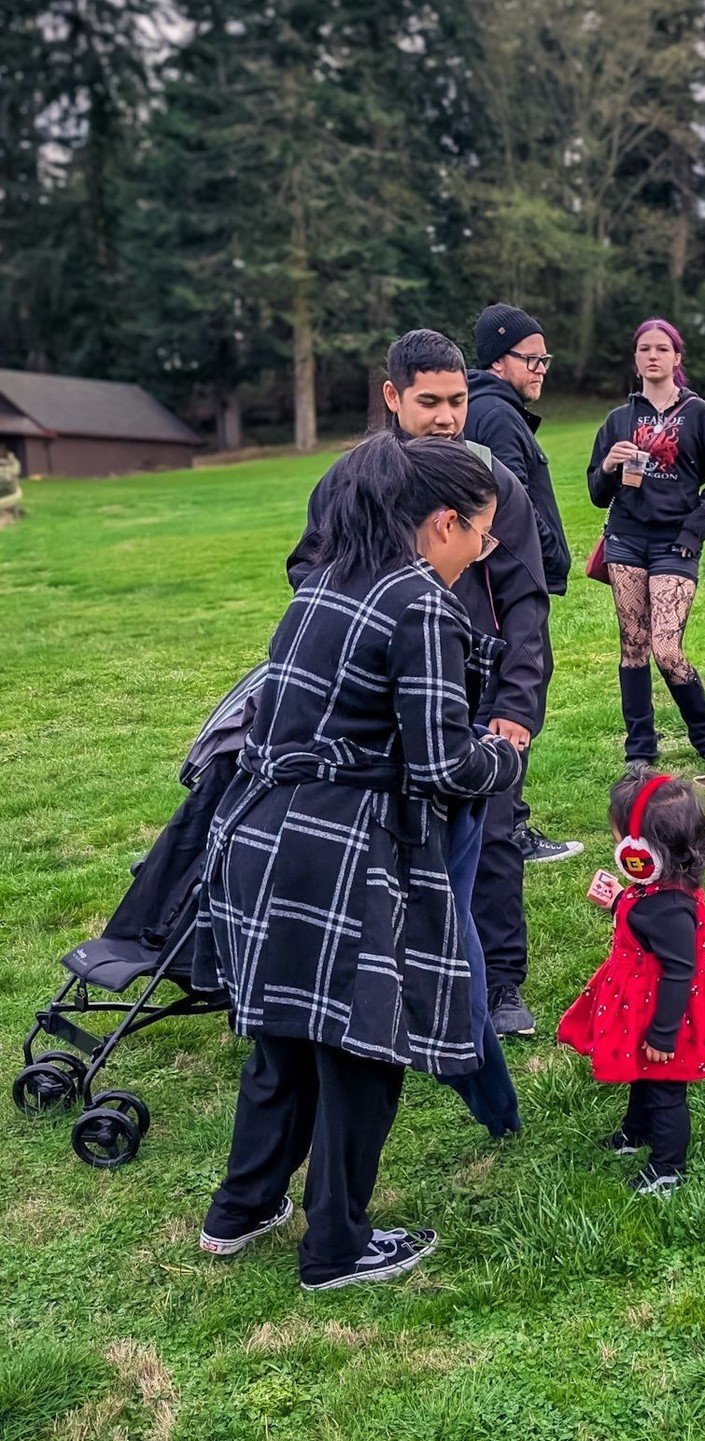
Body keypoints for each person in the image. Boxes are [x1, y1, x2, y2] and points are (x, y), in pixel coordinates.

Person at [195, 432, 523, 1290]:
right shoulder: (417, 602)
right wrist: (504, 755)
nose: (479, 555)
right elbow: (442, 764)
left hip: (260, 836)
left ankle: (240, 1209)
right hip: (344, 851)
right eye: (480, 537)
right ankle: (336, 1246)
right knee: (364, 1047)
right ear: (444, 522)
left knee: (284, 1040)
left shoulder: (324, 582)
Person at [287, 330, 551, 1038]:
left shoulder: (491, 483)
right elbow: (307, 576)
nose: (445, 417)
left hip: (475, 695)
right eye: (428, 401)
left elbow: (527, 600)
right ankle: (383, 982)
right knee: (385, 840)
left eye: (457, 401)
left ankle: (497, 985)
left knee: (492, 831)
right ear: (392, 396)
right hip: (376, 699)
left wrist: (517, 704)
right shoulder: (350, 482)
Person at [557, 774, 705, 1195]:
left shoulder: (670, 910)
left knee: (664, 1089)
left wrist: (663, 1033)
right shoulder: (657, 890)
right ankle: (636, 1132)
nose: (616, 843)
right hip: (642, 1003)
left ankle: (667, 1168)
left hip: (664, 1013)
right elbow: (645, 914)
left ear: (641, 852)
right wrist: (619, 899)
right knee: (641, 1075)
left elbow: (681, 971)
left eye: (619, 836)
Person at [586, 318, 705, 771]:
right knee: (633, 644)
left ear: (677, 358)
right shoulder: (618, 420)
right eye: (644, 350)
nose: (652, 356)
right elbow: (597, 493)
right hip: (627, 540)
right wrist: (609, 467)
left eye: (662, 349)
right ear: (636, 361)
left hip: (676, 543)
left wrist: (694, 530)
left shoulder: (699, 414)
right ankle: (640, 750)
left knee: (667, 649)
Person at [465, 302, 581, 865]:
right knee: (514, 693)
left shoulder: (492, 409)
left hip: (493, 583)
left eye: (544, 360)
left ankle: (499, 823)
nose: (540, 369)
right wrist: (546, 554)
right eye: (530, 359)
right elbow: (512, 507)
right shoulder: (497, 415)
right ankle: (506, 831)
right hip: (504, 587)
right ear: (497, 360)